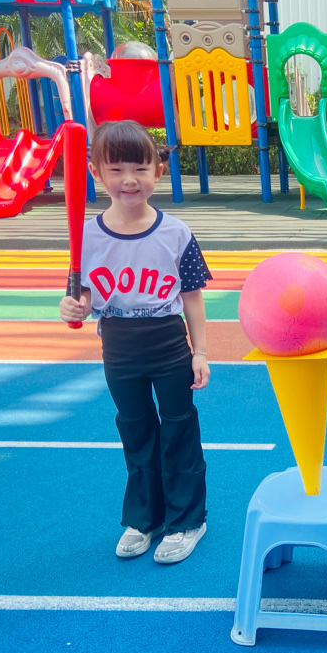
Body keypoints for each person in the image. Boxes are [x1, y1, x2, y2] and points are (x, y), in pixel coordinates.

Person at [59, 120, 212, 564]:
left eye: (140, 168)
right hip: (118, 345)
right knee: (135, 429)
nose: (129, 179)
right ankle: (145, 518)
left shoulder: (176, 233)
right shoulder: (85, 236)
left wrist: (200, 352)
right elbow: (82, 294)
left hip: (168, 342)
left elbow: (192, 297)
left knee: (179, 428)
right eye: (117, 169)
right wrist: (72, 307)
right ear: (95, 173)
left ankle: (187, 520)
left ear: (158, 172)